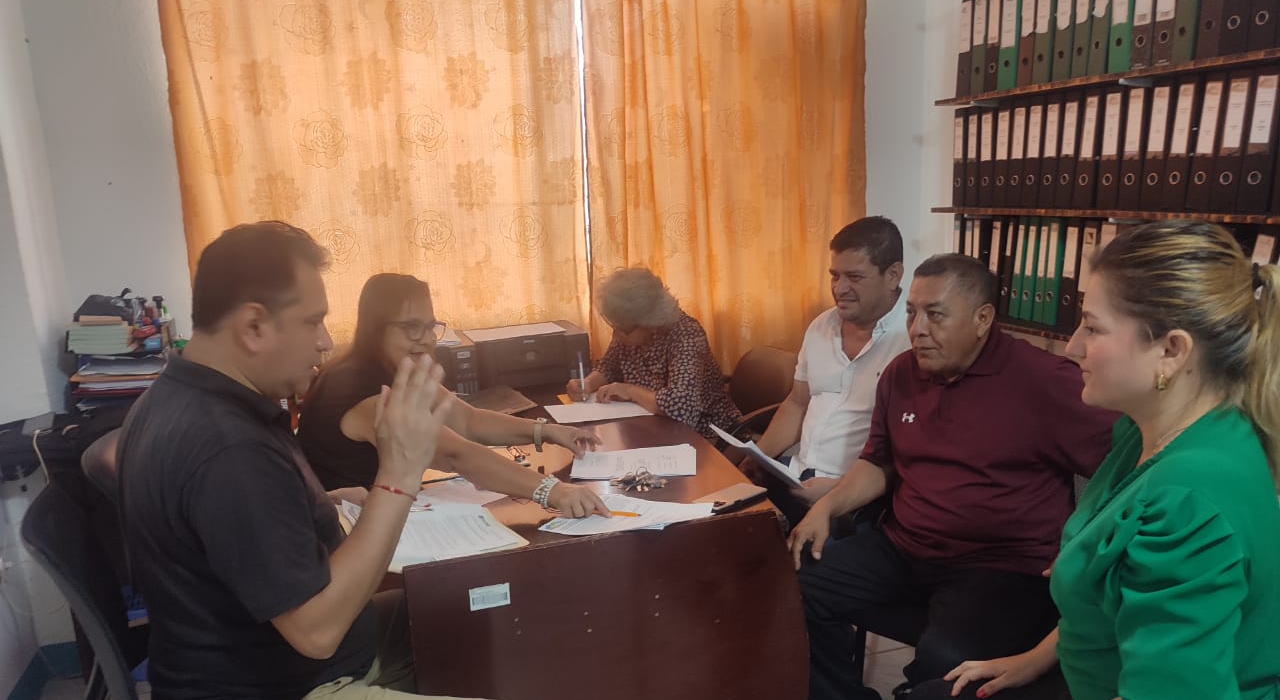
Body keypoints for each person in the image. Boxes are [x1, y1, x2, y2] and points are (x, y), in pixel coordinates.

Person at [117, 222, 553, 700]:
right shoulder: (227, 447)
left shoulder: (183, 400)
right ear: (253, 325)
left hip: (244, 684)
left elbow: (235, 531)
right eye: (313, 320)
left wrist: (319, 501)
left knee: (450, 615)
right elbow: (317, 631)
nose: (325, 340)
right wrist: (397, 477)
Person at [864, 220, 1280, 700]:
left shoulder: (1193, 497)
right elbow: (1113, 583)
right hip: (1104, 696)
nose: (1073, 345)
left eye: (1093, 326)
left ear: (1171, 351)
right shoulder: (1146, 433)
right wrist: (1035, 657)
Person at [790, 252, 1116, 700]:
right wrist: (828, 506)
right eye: (912, 313)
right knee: (797, 586)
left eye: (935, 315)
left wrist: (1085, 544)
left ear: (983, 318)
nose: (918, 329)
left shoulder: (1044, 381)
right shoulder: (902, 375)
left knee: (946, 656)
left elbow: (1128, 463)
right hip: (907, 544)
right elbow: (879, 461)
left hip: (1002, 566)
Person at [298, 273, 608, 519]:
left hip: (377, 514)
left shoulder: (395, 368)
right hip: (343, 529)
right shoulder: (361, 389)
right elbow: (455, 454)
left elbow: (468, 420)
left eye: (430, 326)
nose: (427, 339)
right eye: (412, 327)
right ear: (376, 329)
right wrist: (554, 492)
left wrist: (548, 431)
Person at [741, 216, 910, 530]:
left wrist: (839, 491)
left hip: (856, 499)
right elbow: (797, 403)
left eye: (854, 277)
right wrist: (758, 456)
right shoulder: (822, 325)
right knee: (721, 524)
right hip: (795, 475)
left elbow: (908, 451)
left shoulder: (914, 340)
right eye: (834, 276)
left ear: (893, 275)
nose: (839, 289)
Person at [566, 266, 741, 439]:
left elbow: (680, 408)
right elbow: (609, 366)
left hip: (705, 434)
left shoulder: (687, 334)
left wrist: (630, 391)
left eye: (623, 329)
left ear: (649, 322)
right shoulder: (629, 329)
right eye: (614, 326)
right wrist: (588, 383)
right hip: (650, 426)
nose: (616, 335)